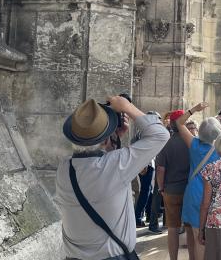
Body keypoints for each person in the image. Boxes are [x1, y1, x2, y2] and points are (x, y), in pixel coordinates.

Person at [54, 97, 169, 259]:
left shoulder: (64, 169)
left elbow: (100, 167)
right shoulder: (115, 166)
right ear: (106, 139)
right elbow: (160, 135)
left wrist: (112, 140)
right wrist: (127, 107)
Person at [176, 102, 221, 260]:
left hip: (192, 194)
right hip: (211, 196)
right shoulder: (220, 151)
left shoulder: (193, 144)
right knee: (204, 239)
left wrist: (194, 109)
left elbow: (179, 122)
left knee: (194, 235)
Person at [155, 110, 191, 260]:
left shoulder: (166, 143)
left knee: (172, 228)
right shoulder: (192, 142)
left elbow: (160, 170)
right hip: (189, 190)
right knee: (190, 228)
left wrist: (161, 188)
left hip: (170, 190)